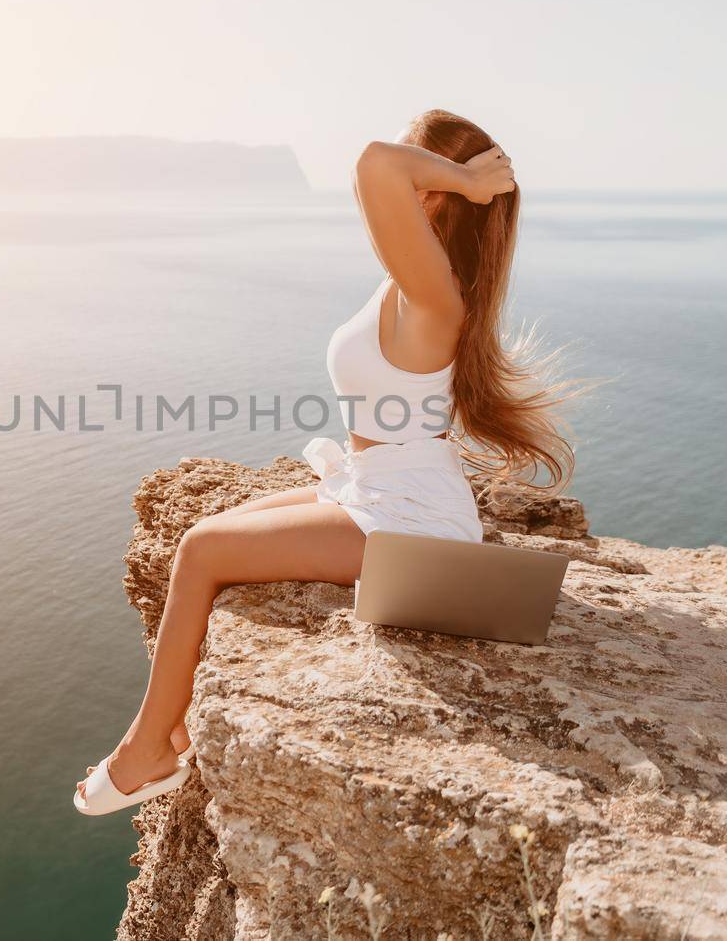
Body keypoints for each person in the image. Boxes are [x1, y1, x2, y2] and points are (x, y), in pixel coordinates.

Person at [74, 108, 574, 815]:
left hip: (410, 517)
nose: (400, 175)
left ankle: (148, 749)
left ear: (434, 192)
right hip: (377, 487)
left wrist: (462, 175)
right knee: (219, 529)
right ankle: (170, 725)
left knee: (200, 550)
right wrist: (456, 178)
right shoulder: (410, 279)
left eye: (418, 164)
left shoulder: (435, 294)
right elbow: (383, 171)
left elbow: (375, 164)